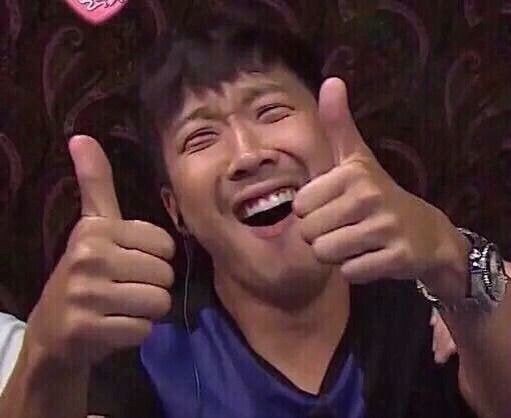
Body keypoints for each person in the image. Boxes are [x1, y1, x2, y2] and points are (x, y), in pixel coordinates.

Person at [1, 15, 510, 418]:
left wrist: (455, 261)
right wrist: (46, 354)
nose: (247, 154)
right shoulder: (141, 347)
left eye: (271, 111)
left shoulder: (437, 302)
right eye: (201, 137)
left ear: (335, 143)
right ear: (177, 212)